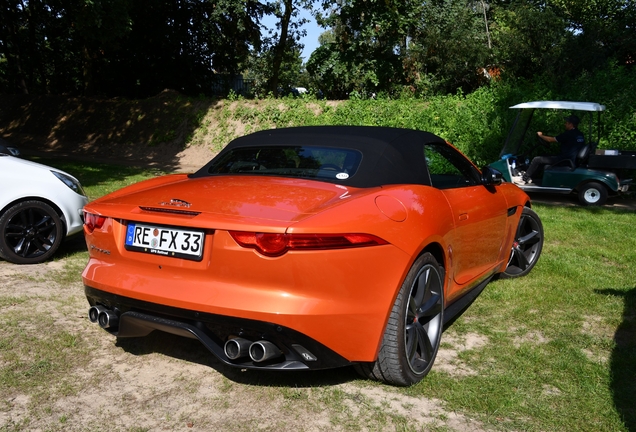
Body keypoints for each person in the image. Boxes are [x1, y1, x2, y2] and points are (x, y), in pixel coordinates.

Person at [519, 115, 585, 184]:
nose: (565, 124)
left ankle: (524, 178)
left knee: (536, 159)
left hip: (564, 160)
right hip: (571, 159)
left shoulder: (569, 134)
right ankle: (531, 178)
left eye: (566, 123)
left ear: (571, 124)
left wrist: (540, 135)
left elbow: (550, 140)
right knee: (543, 156)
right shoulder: (580, 134)